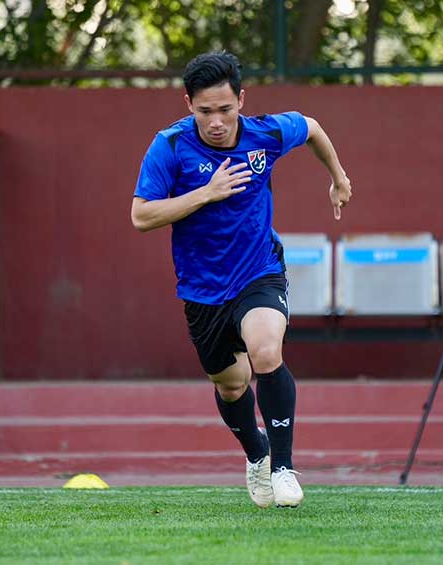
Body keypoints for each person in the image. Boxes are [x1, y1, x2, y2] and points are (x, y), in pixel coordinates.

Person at [131, 51, 352, 508]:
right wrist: (205, 193)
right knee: (231, 385)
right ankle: (257, 453)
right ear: (188, 103)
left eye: (225, 109)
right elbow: (141, 216)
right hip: (202, 288)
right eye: (205, 111)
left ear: (241, 101)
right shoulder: (169, 146)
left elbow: (312, 127)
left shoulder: (264, 134)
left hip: (258, 270)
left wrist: (338, 177)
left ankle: (284, 468)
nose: (216, 122)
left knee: (266, 351)